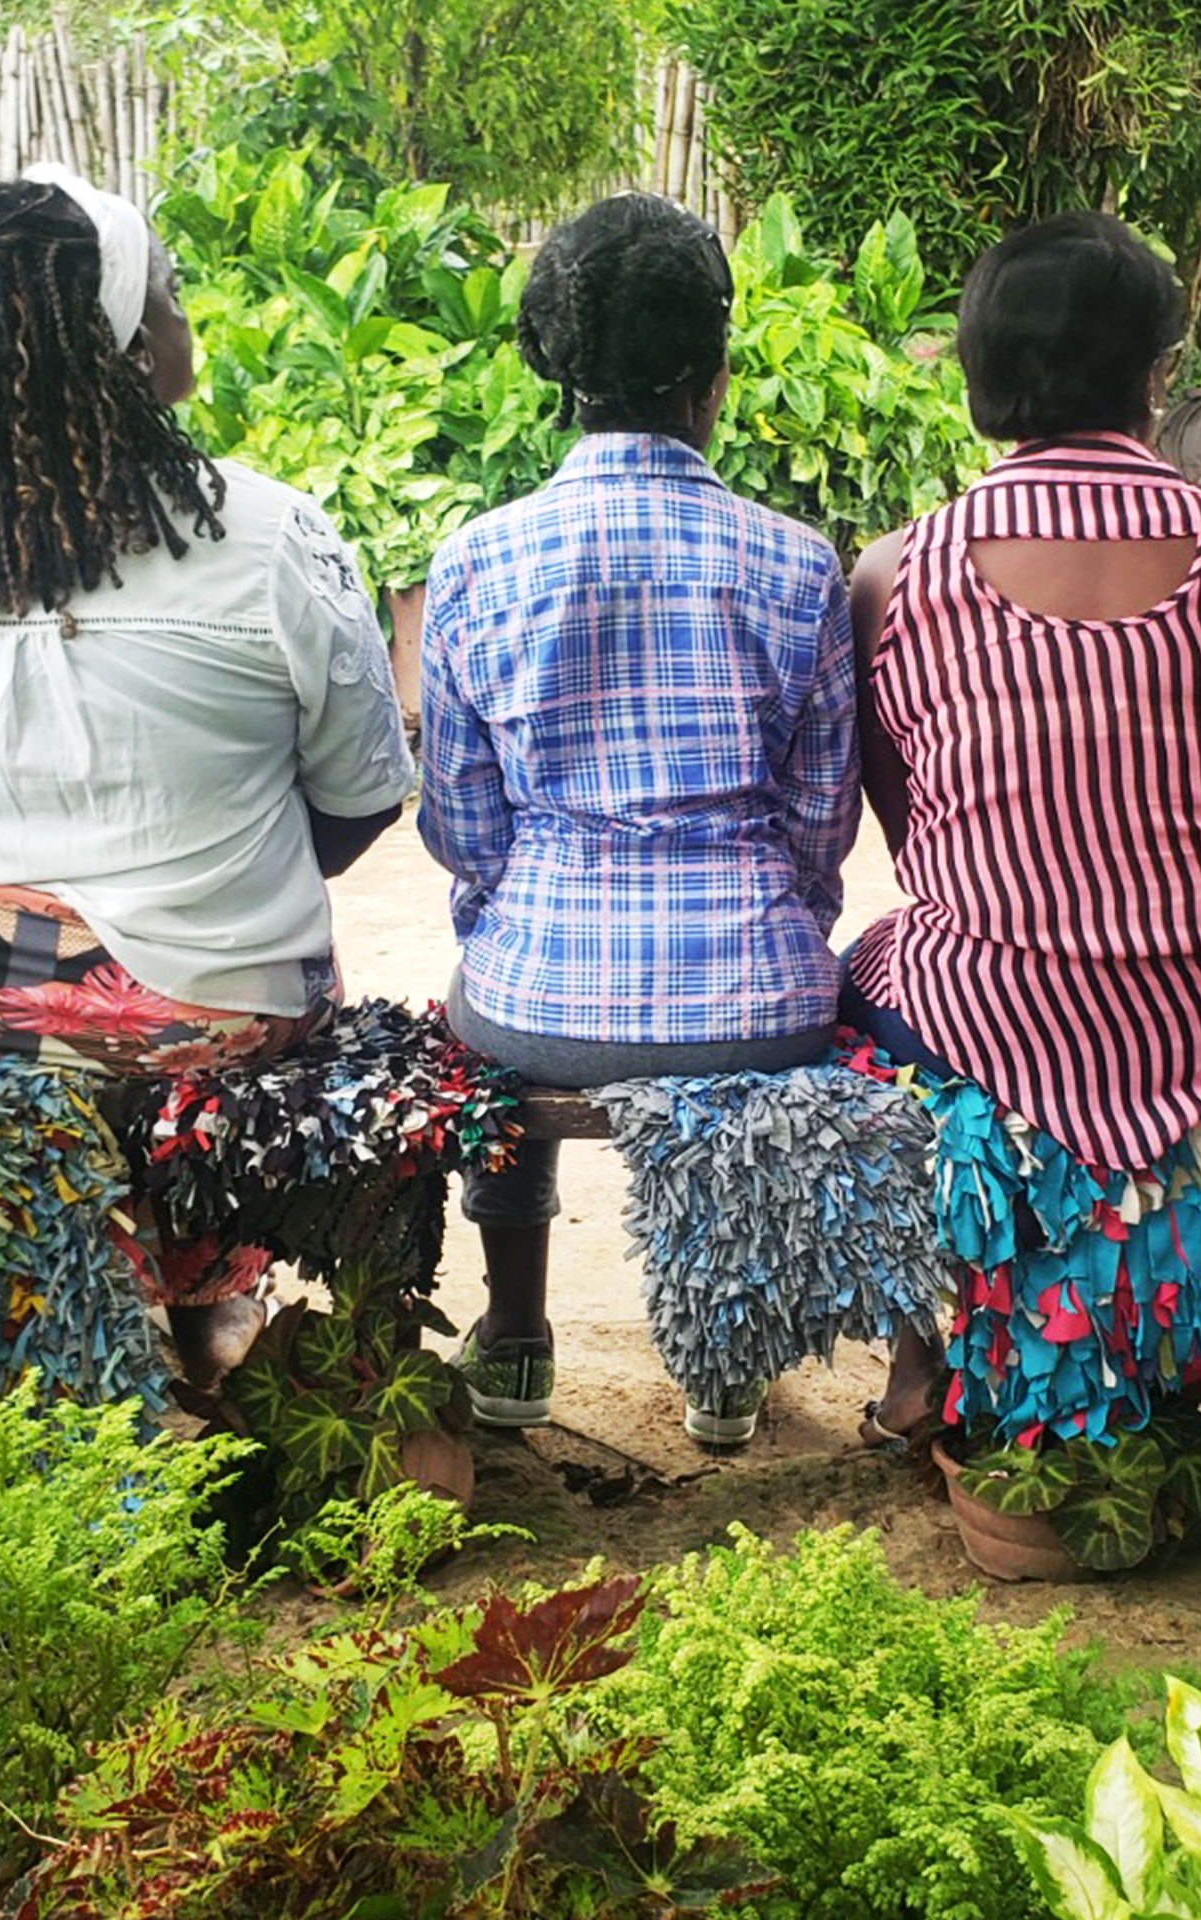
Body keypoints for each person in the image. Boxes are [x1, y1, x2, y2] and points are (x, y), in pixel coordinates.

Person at [0, 168, 414, 1377]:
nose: (184, 315)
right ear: (128, 349)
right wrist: (207, 885)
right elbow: (361, 797)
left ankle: (59, 1323)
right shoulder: (268, 538)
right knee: (228, 1009)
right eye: (170, 295)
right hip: (213, 1002)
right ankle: (204, 1306)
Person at [842, 211, 1201, 1438]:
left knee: (876, 970)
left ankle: (919, 1361)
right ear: (1156, 379)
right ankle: (1161, 1355)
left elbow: (907, 819)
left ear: (984, 374)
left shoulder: (897, 572)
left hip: (976, 1010)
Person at [418, 192, 860, 1446]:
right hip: (759, 1006)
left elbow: (460, 824)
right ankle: (723, 1362)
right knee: (735, 1026)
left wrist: (516, 917)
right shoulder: (794, 560)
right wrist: (774, 925)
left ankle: (513, 1336)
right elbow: (823, 820)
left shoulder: (476, 560)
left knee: (484, 1018)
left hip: (538, 1000)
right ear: (710, 376)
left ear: (558, 374)